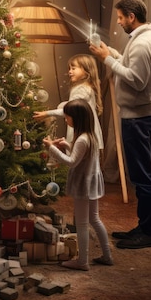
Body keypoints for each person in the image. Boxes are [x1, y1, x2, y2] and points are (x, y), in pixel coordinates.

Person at [89, 0, 151, 249]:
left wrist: (106, 60)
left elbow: (137, 80)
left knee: (142, 177)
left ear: (132, 17)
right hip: (141, 117)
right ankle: (143, 227)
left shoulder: (143, 43)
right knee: (140, 175)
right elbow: (133, 68)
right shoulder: (141, 40)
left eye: (121, 17)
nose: (119, 22)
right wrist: (114, 54)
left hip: (140, 120)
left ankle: (149, 233)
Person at [43, 99, 112, 270]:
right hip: (91, 182)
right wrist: (66, 144)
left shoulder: (82, 139)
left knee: (82, 223)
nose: (66, 120)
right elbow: (81, 156)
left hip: (84, 185)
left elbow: (72, 161)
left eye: (67, 117)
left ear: (76, 118)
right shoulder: (90, 136)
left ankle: (82, 261)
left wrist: (52, 148)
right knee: (94, 219)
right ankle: (107, 255)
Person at [33, 54, 104, 152]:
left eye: (73, 68)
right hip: (84, 131)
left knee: (78, 161)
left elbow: (71, 110)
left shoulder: (82, 89)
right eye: (69, 68)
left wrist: (47, 113)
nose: (70, 71)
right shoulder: (83, 88)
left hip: (83, 132)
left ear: (86, 71)